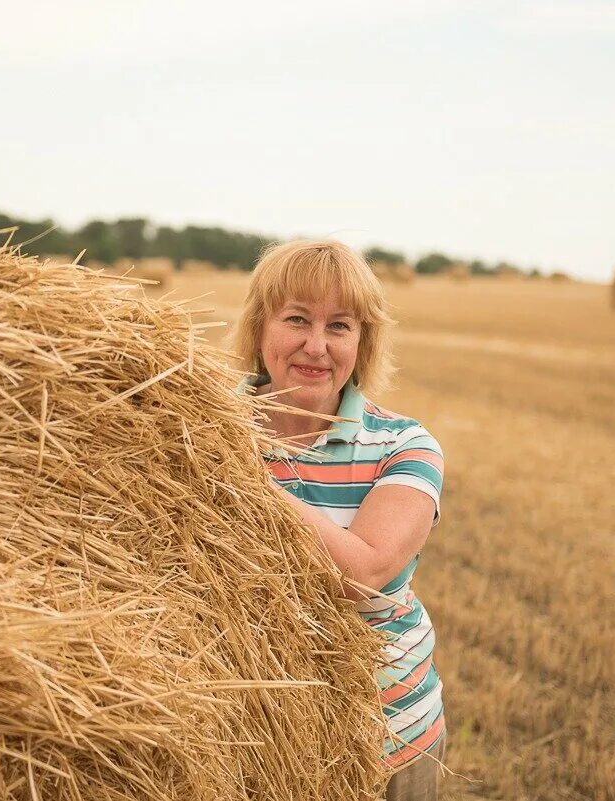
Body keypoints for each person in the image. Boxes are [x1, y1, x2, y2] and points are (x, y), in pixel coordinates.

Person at [233, 240, 446, 801]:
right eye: (297, 319)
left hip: (386, 739)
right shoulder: (202, 425)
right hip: (242, 742)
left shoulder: (405, 446)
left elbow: (364, 573)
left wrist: (239, 477)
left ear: (362, 342)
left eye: (340, 326)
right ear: (260, 328)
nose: (316, 345)